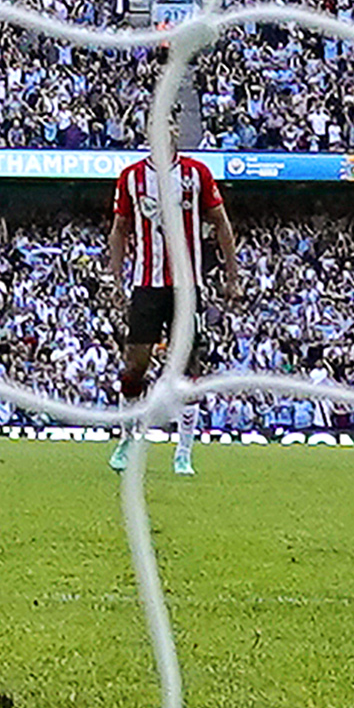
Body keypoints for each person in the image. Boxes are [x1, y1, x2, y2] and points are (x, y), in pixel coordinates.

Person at [106, 141, 234, 474]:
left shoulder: (197, 173)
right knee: (135, 365)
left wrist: (232, 274)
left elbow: (221, 222)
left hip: (187, 287)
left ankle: (184, 452)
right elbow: (119, 229)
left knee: (188, 367)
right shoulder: (131, 177)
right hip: (146, 285)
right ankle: (127, 438)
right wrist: (115, 280)